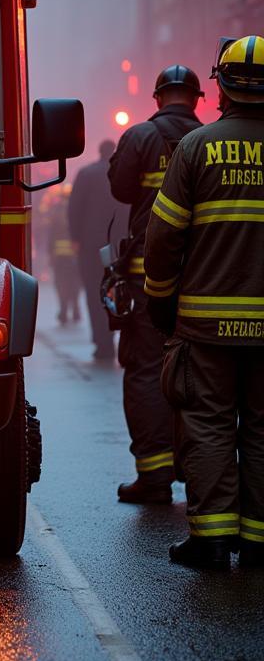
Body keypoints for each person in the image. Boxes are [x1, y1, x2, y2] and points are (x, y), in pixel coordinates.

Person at [145, 36, 264, 570]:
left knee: (210, 425)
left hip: (207, 327)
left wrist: (161, 302)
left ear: (223, 87)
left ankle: (212, 540)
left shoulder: (197, 148)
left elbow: (164, 236)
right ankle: (260, 541)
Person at [108, 65, 203, 503]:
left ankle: (154, 475)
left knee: (146, 371)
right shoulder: (210, 141)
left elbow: (121, 189)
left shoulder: (141, 137)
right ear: (198, 99)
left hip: (147, 281)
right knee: (201, 376)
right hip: (201, 281)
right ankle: (194, 468)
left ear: (158, 97)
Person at [69, 139, 126, 362]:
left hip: (91, 245)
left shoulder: (85, 174)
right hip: (120, 245)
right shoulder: (124, 174)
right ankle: (114, 339)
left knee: (94, 293)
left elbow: (74, 208)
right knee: (117, 290)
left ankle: (101, 342)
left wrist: (76, 238)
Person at [47, 186, 81, 324]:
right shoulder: (77, 211)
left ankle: (64, 309)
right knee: (75, 283)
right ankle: (76, 308)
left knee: (61, 283)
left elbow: (50, 235)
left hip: (59, 256)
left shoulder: (55, 212)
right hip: (74, 255)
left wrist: (50, 254)